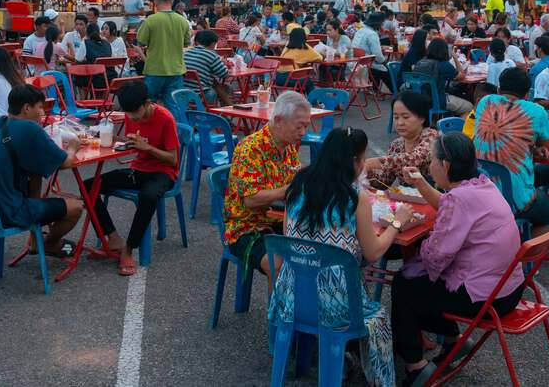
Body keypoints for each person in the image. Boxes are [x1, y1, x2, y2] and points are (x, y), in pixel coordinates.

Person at [275, 128, 406, 387]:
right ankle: (379, 377)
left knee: (346, 267)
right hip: (336, 306)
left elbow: (290, 238)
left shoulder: (298, 183)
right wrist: (397, 223)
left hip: (290, 295)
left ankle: (338, 358)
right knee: (376, 310)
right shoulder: (354, 198)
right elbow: (374, 252)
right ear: (355, 161)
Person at [392, 133, 524, 385]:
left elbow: (435, 258)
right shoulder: (482, 184)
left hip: (486, 300)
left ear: (446, 166)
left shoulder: (459, 199)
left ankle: (415, 365)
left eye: (431, 161)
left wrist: (417, 239)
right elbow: (448, 205)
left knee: (404, 284)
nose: (429, 167)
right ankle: (453, 340)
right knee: (425, 282)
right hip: (510, 289)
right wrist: (421, 184)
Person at [0, 84, 83, 258]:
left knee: (34, 178)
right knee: (76, 207)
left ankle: (36, 242)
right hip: (3, 213)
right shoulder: (30, 128)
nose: (42, 112)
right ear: (27, 108)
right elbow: (66, 162)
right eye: (40, 107)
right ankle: (50, 244)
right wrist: (73, 145)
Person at [84, 80, 182, 276]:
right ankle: (112, 238)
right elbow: (130, 142)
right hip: (138, 169)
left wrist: (148, 149)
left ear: (146, 103)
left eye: (134, 113)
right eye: (128, 113)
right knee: (88, 186)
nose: (131, 118)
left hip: (162, 173)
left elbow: (173, 160)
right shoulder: (132, 115)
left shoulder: (165, 118)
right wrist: (114, 142)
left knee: (148, 196)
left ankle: (129, 249)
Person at [224, 91, 313, 276]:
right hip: (246, 228)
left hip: (280, 220)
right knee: (280, 265)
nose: (303, 133)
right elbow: (251, 200)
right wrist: (289, 189)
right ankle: (279, 306)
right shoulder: (251, 149)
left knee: (320, 250)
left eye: (306, 126)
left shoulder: (287, 146)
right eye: (299, 127)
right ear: (278, 120)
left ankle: (303, 304)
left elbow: (293, 175)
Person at [473, 67, 549, 235]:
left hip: (479, 192)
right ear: (527, 94)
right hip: (515, 200)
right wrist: (534, 149)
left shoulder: (485, 102)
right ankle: (519, 247)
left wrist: (530, 149)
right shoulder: (536, 111)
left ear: (499, 90)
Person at [364, 89, 440, 187]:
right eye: (396, 117)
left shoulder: (431, 136)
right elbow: (384, 183)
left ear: (422, 118)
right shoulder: (396, 145)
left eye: (405, 117)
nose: (399, 123)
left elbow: (414, 159)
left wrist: (375, 162)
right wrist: (366, 172)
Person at [137, 0, 192, 105]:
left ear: (156, 1)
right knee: (175, 105)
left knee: (149, 105)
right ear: (171, 1)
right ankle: (175, 124)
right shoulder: (182, 21)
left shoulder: (150, 20)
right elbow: (187, 43)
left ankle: (153, 124)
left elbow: (140, 42)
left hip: (155, 69)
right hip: (176, 70)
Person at [415, 37, 472, 114]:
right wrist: (455, 58)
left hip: (420, 99)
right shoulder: (444, 64)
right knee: (469, 107)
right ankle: (455, 125)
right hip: (438, 101)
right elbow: (462, 75)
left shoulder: (421, 62)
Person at [183, 29, 232, 106]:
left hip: (183, 91)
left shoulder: (186, 53)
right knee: (226, 87)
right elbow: (224, 74)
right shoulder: (211, 55)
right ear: (213, 43)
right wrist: (224, 64)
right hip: (201, 94)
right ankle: (226, 111)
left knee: (214, 83)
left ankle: (226, 110)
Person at [352, 11, 392, 92]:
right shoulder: (372, 34)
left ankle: (374, 89)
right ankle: (395, 90)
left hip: (358, 62)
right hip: (368, 63)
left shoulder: (361, 30)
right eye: (382, 23)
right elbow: (378, 56)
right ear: (378, 23)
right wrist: (385, 62)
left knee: (380, 66)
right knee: (387, 69)